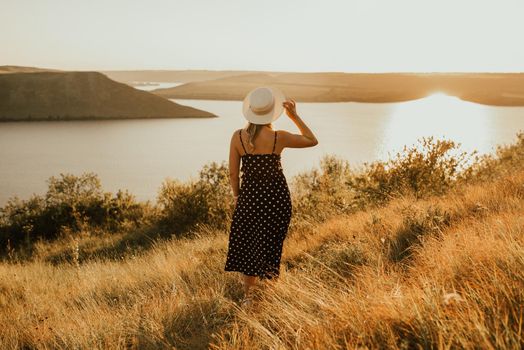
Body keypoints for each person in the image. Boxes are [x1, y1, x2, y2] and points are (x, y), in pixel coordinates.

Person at [224, 86, 318, 307]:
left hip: (249, 200)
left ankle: (249, 297)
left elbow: (232, 173)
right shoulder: (278, 137)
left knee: (249, 246)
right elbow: (311, 140)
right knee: (272, 246)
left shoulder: (237, 137)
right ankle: (270, 296)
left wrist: (238, 197)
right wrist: (294, 116)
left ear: (250, 111)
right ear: (271, 112)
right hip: (277, 201)